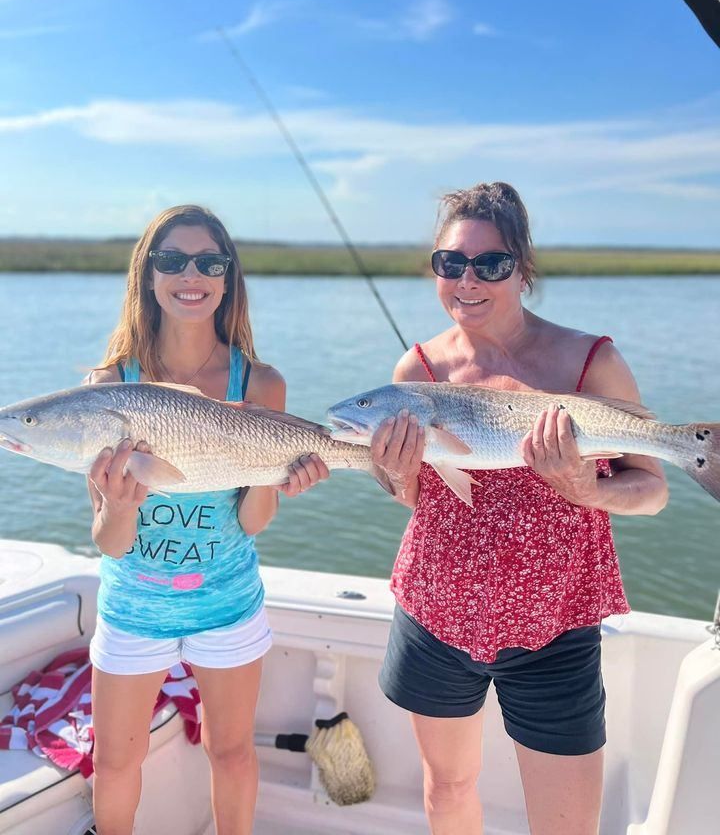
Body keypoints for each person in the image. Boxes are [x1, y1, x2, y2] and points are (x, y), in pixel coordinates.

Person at [370, 182, 668, 835]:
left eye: (490, 263)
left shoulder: (589, 360)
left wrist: (587, 490)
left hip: (555, 622)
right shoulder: (415, 371)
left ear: (523, 267)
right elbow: (420, 499)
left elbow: (652, 488)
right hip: (435, 611)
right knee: (446, 792)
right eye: (450, 263)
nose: (467, 280)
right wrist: (394, 476)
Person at [85, 204, 329, 835]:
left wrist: (277, 479)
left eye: (208, 261)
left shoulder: (262, 383)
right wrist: (118, 503)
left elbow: (250, 524)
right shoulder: (110, 386)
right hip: (134, 606)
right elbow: (111, 542)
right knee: (114, 764)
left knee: (230, 751)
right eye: (171, 259)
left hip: (227, 601)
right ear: (148, 274)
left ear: (227, 279)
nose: (190, 274)